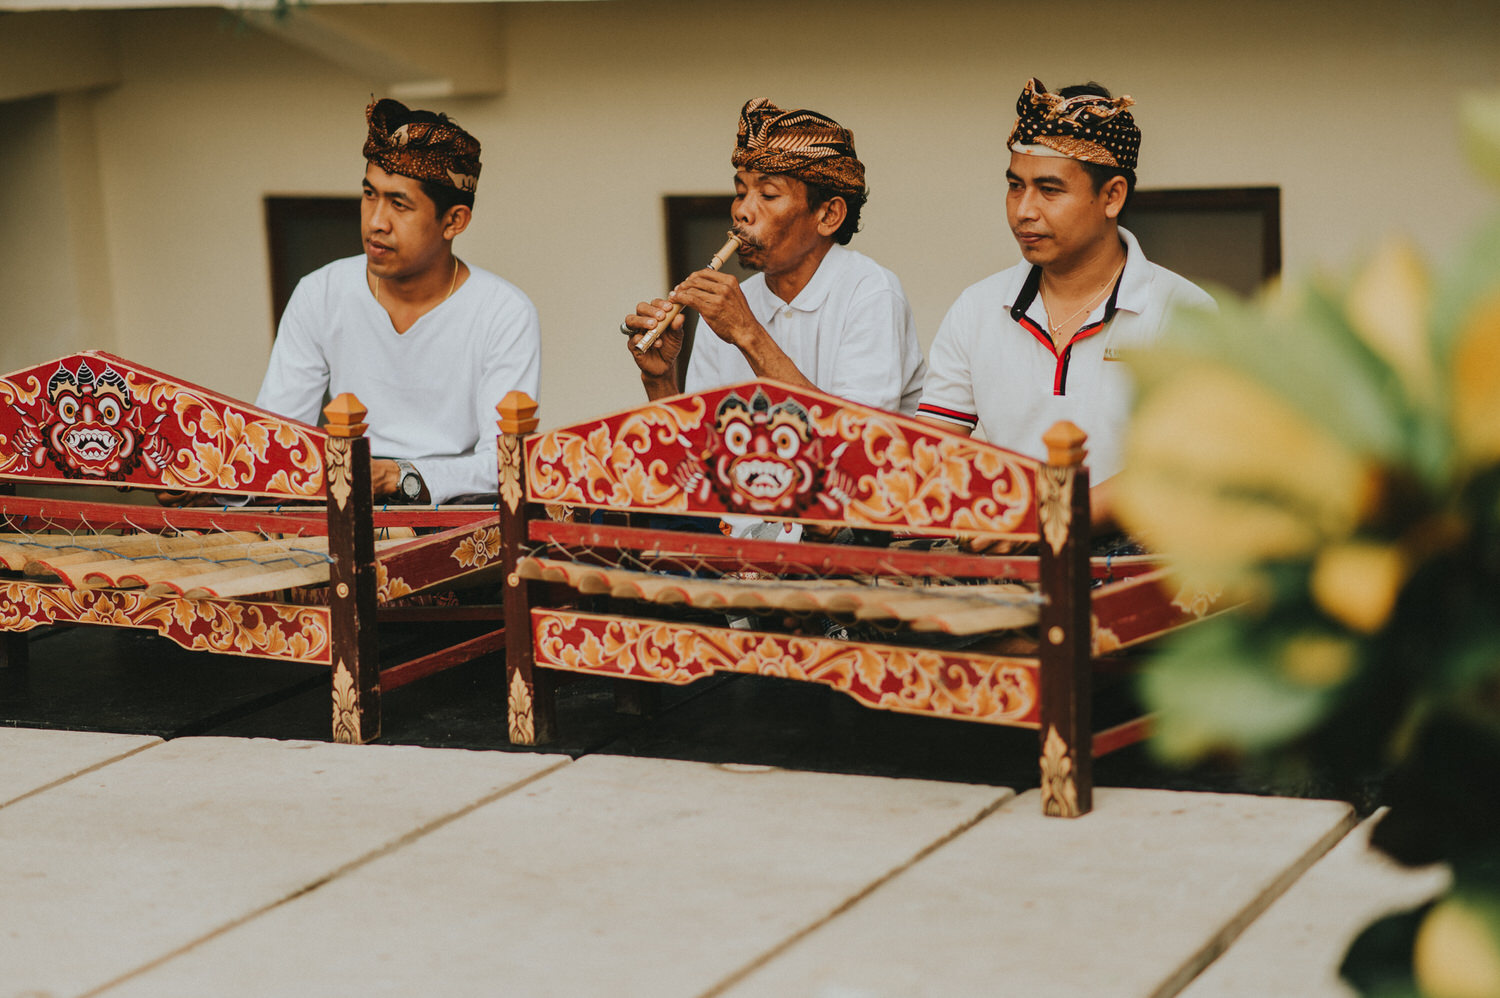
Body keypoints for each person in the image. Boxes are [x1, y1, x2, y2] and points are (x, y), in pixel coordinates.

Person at [916, 79, 1213, 527]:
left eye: (1049, 190)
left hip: (1138, 572)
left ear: (1112, 196)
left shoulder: (1183, 313)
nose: (1023, 211)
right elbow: (934, 453)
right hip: (1007, 560)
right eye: (1016, 186)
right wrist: (993, 516)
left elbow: (1191, 463)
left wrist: (1051, 520)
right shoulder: (976, 309)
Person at [252, 97, 541, 505]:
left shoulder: (502, 312)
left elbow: (503, 463)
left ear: (454, 221)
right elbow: (278, 438)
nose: (375, 222)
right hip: (343, 502)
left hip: (457, 516)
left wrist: (397, 476)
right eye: (370, 195)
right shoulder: (321, 292)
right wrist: (212, 486)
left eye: (399, 204)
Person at [621, 98, 926, 416]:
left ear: (828, 215)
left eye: (768, 195)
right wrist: (660, 381)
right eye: (740, 193)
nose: (741, 211)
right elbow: (701, 455)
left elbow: (857, 436)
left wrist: (747, 333)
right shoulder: (730, 309)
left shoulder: (870, 291)